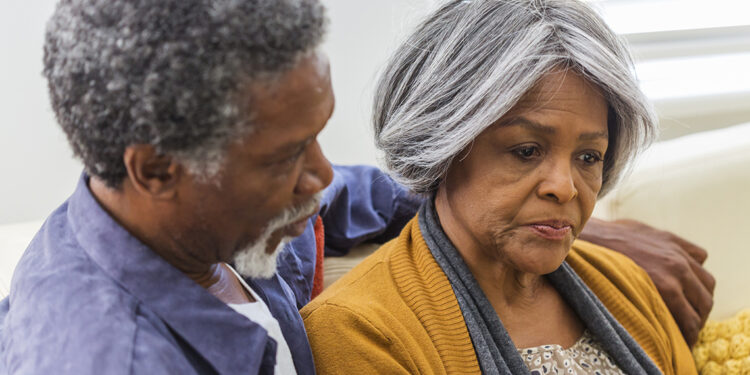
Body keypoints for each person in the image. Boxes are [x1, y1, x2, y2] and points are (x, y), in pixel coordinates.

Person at [0, 0, 712, 374]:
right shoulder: (103, 357)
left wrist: (543, 215)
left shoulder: (213, 228)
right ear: (156, 169)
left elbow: (370, 191)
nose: (324, 176)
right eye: (285, 157)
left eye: (320, 134)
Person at [302, 1, 701, 374]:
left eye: (588, 157)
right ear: (444, 145)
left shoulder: (626, 283)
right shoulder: (357, 331)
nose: (565, 188)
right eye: (527, 151)